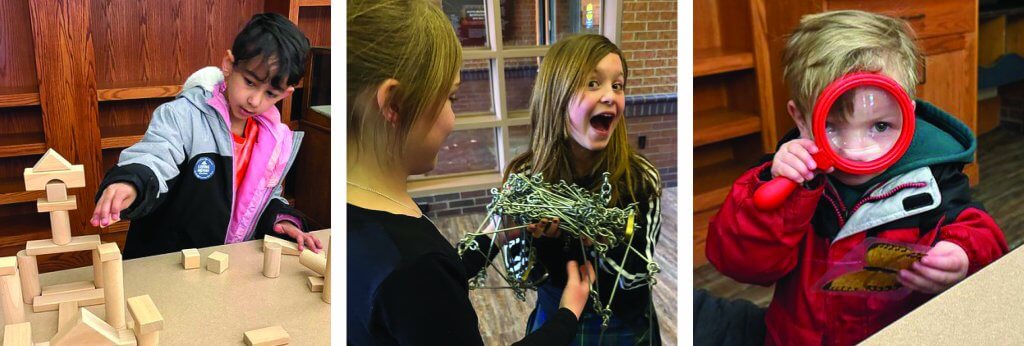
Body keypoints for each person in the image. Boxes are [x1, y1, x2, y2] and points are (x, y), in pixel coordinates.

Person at [706, 10, 1008, 345]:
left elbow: (981, 234)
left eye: (880, 126)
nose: (856, 151)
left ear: (907, 114)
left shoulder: (933, 180)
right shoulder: (787, 182)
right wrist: (779, 197)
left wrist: (962, 255)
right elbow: (741, 264)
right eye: (831, 126)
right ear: (801, 119)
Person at [346, 1, 595, 344]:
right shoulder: (413, 264)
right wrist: (567, 314)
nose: (453, 118)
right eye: (451, 97)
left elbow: (426, 298)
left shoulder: (354, 215)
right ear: (395, 103)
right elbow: (423, 285)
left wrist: (496, 235)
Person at [89, 13, 321, 259]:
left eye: (270, 93)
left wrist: (283, 221)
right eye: (250, 82)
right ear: (228, 65)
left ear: (285, 94)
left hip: (223, 266)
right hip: (166, 261)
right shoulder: (183, 116)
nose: (254, 100)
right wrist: (131, 182)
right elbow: (156, 156)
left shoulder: (273, 140)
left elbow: (262, 197)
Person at [504, 34, 664, 344]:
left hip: (624, 324)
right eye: (592, 83)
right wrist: (541, 244)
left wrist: (603, 241)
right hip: (556, 323)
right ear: (556, 96)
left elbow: (638, 274)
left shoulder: (641, 180)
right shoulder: (525, 180)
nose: (610, 96)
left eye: (618, 85)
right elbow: (520, 273)